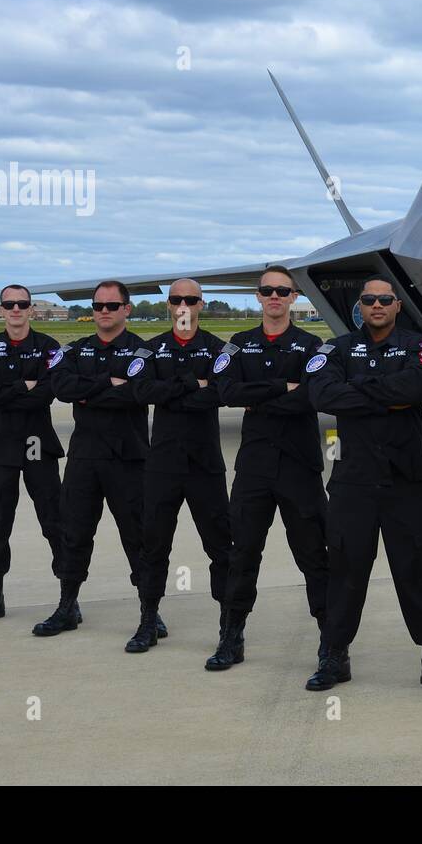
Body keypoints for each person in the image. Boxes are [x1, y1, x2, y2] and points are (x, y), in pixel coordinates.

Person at [304, 276, 422, 693]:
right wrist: (387, 396)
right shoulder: (336, 348)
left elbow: (416, 388)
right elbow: (321, 396)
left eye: (385, 299)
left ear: (397, 304)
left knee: (417, 568)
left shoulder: (420, 346)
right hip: (353, 482)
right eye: (369, 299)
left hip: (405, 480)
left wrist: (355, 388)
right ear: (360, 306)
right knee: (346, 568)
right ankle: (334, 654)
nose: (377, 305)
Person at [210, 266, 329, 672]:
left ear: (294, 297)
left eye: (283, 291)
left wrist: (258, 397)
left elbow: (313, 397)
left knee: (314, 555)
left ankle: (331, 644)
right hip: (255, 469)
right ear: (258, 297)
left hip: (299, 467)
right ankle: (231, 636)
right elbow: (226, 393)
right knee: (241, 553)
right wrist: (283, 387)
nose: (275, 297)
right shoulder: (239, 345)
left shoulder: (312, 345)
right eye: (267, 291)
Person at [37, 281, 151, 636]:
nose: (104, 311)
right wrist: (109, 383)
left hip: (128, 458)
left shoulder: (143, 352)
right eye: (99, 305)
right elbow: (62, 389)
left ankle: (150, 613)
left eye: (112, 306)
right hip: (84, 459)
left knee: (138, 537)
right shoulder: (74, 350)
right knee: (74, 534)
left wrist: (90, 392)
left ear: (127, 310)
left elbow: (135, 394)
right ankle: (67, 606)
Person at [126, 279, 232, 654]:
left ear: (201, 304)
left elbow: (221, 393)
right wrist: (192, 383)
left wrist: (172, 390)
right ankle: (147, 621)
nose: (183, 304)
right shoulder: (149, 349)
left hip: (204, 465)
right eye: (176, 299)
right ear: (168, 305)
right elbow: (139, 392)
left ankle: (228, 628)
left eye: (190, 299)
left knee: (221, 548)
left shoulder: (221, 349)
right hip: (163, 465)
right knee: (153, 547)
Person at [0, 285, 64, 623]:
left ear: (31, 309)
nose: (16, 309)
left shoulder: (48, 347)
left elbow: (49, 393)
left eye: (22, 304)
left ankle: (69, 598)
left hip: (38, 443)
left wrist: (3, 393)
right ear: (2, 309)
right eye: (10, 304)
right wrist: (23, 386)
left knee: (53, 519)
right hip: (3, 445)